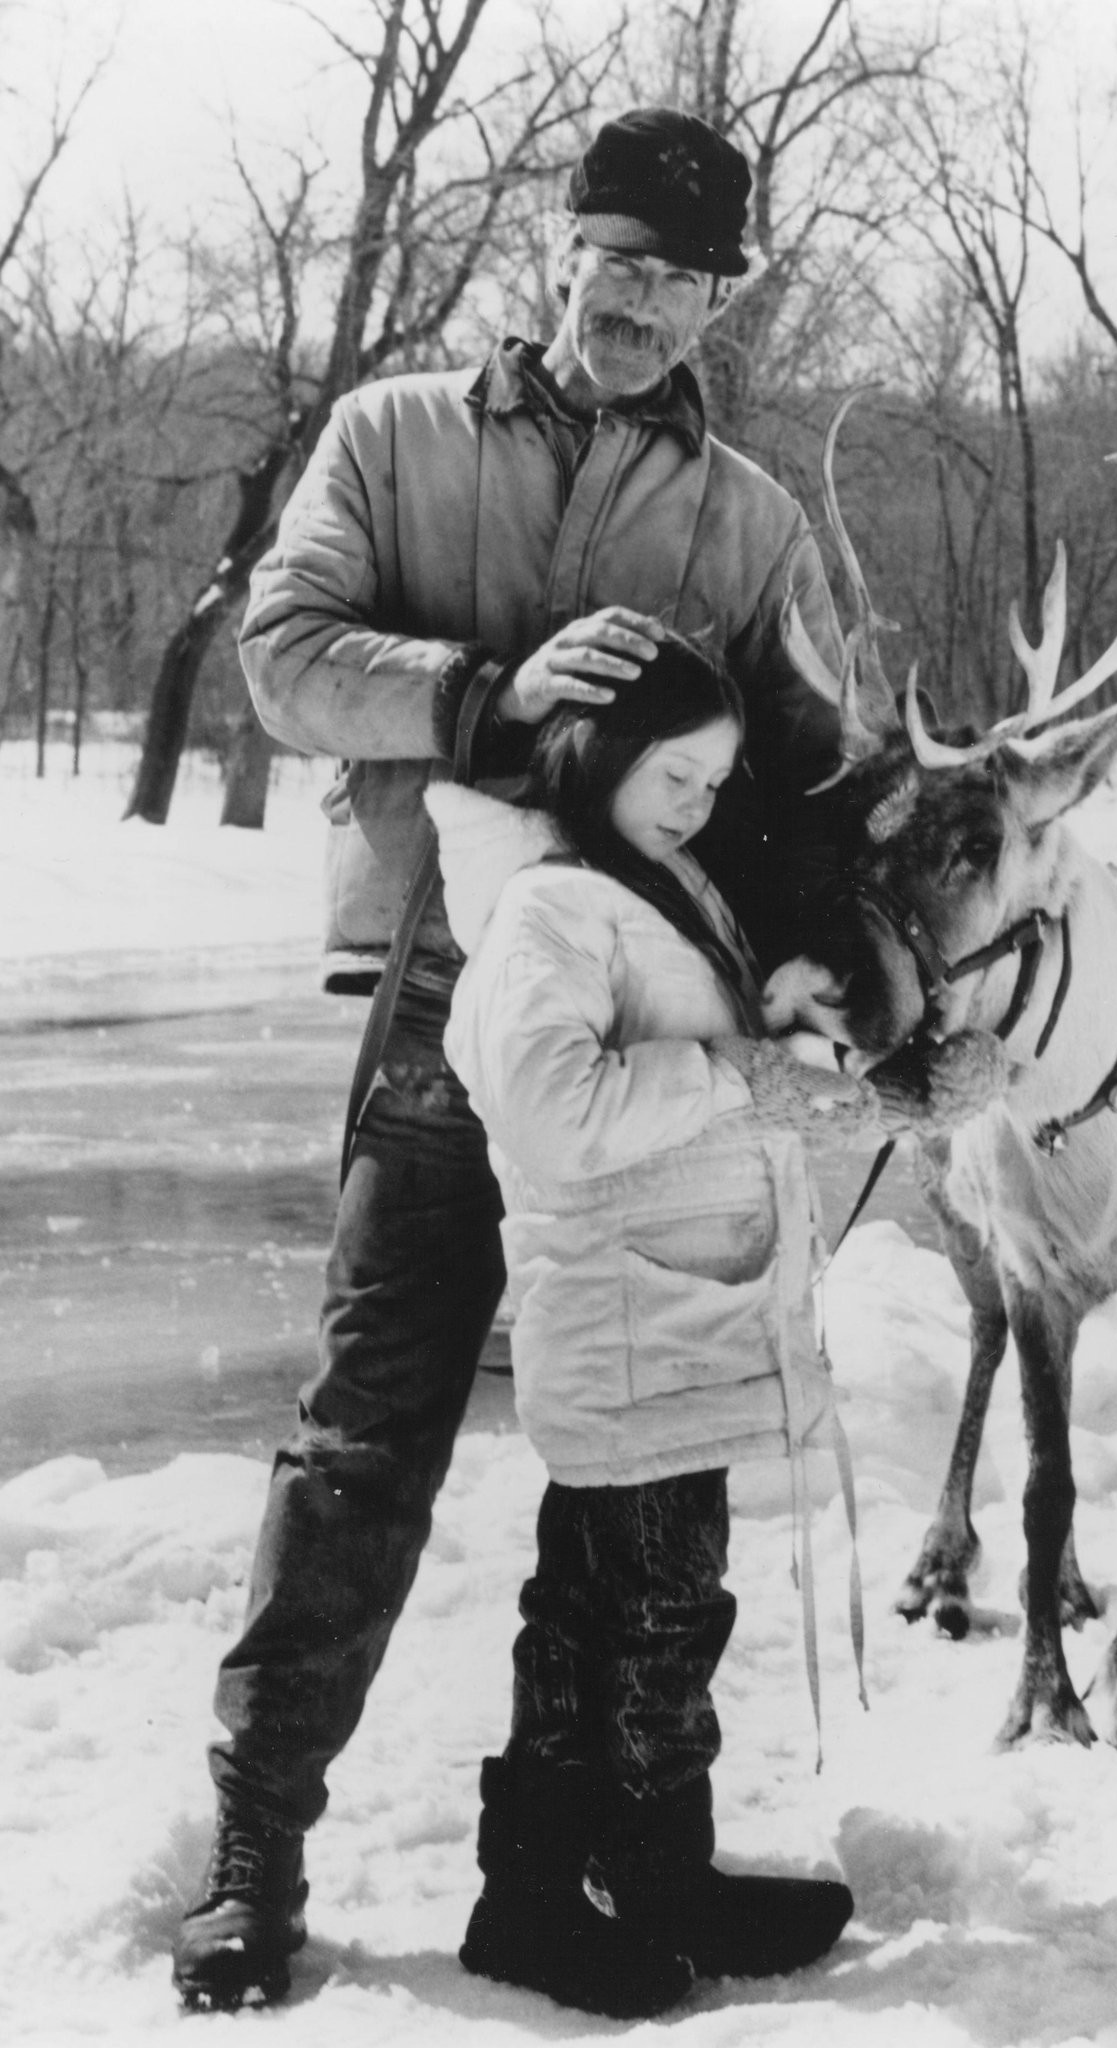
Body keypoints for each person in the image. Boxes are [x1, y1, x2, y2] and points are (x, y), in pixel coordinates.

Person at [172, 106, 848, 2013]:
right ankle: (255, 1847)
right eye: (618, 260)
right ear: (564, 246)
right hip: (433, 997)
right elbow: (285, 654)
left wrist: (834, 951)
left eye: (685, 280)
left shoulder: (750, 523)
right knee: (371, 1425)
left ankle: (593, 1862)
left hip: (635, 1014)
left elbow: (788, 788)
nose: (642, 306)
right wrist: (480, 697)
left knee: (641, 1444)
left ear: (724, 297)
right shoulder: (397, 433)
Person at [427, 636, 865, 2018]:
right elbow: (555, 1114)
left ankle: (628, 1869)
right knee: (636, 1607)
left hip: (676, 1311)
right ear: (600, 752)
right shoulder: (548, 910)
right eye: (674, 772)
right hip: (624, 1314)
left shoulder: (646, 884)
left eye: (715, 779)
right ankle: (560, 1893)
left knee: (634, 1605)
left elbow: (677, 1047)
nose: (694, 801)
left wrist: (769, 1018)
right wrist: (734, 1066)